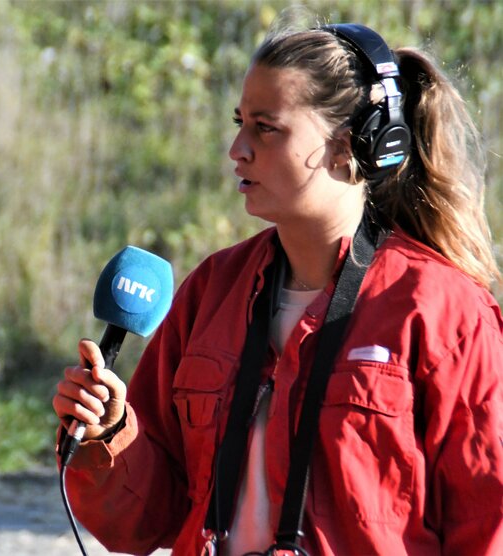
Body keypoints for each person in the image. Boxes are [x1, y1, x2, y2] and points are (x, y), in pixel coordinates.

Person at [53, 19, 503, 556]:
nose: (237, 149)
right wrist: (110, 434)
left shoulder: (442, 310)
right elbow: (143, 524)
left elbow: (488, 523)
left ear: (351, 144)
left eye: (266, 128)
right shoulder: (210, 293)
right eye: (240, 122)